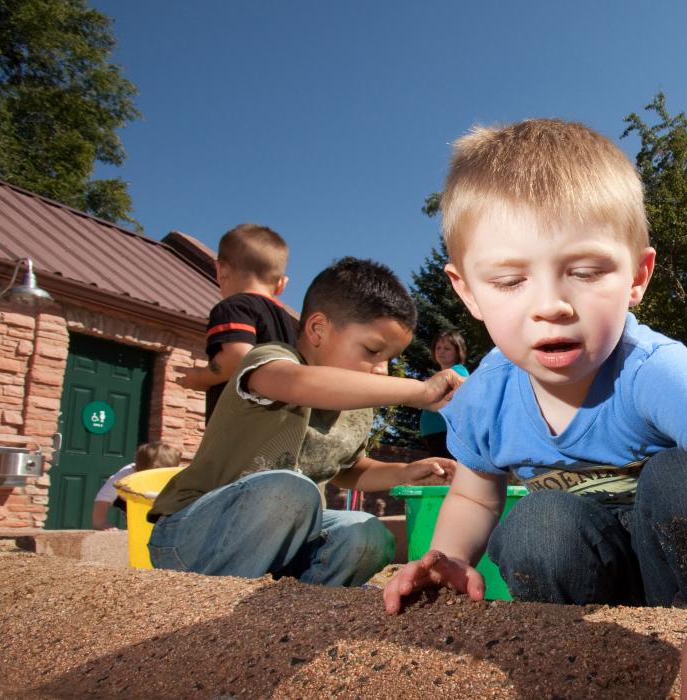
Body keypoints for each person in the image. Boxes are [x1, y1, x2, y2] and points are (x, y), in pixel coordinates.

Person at [381, 119, 687, 697]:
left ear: (637, 277)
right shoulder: (486, 395)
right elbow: (476, 492)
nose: (551, 305)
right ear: (468, 291)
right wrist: (449, 556)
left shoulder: (649, 368)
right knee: (537, 522)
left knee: (681, 476)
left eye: (585, 272)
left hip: (686, 578)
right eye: (509, 281)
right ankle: (577, 662)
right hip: (588, 586)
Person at [148, 257, 466, 586]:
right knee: (292, 491)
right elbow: (299, 384)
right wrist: (419, 391)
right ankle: (221, 599)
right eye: (372, 351)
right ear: (317, 330)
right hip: (194, 535)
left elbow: (347, 469)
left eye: (389, 360)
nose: (380, 370)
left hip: (287, 543)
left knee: (367, 535)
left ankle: (296, 603)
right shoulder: (270, 361)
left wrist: (405, 472)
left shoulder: (357, 405)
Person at [177, 224, 299, 423]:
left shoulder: (233, 307)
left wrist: (201, 377)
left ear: (221, 269)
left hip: (237, 427)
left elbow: (237, 358)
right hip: (274, 427)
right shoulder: (286, 321)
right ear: (281, 284)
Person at [91, 441, 181, 530]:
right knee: (137, 518)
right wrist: (100, 522)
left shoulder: (175, 474)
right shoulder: (126, 475)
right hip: (130, 497)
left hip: (157, 499)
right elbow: (103, 498)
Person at [418, 330, 471, 458]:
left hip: (445, 433)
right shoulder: (441, 375)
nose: (441, 351)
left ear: (458, 352)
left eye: (447, 348)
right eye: (438, 347)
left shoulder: (457, 372)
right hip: (436, 434)